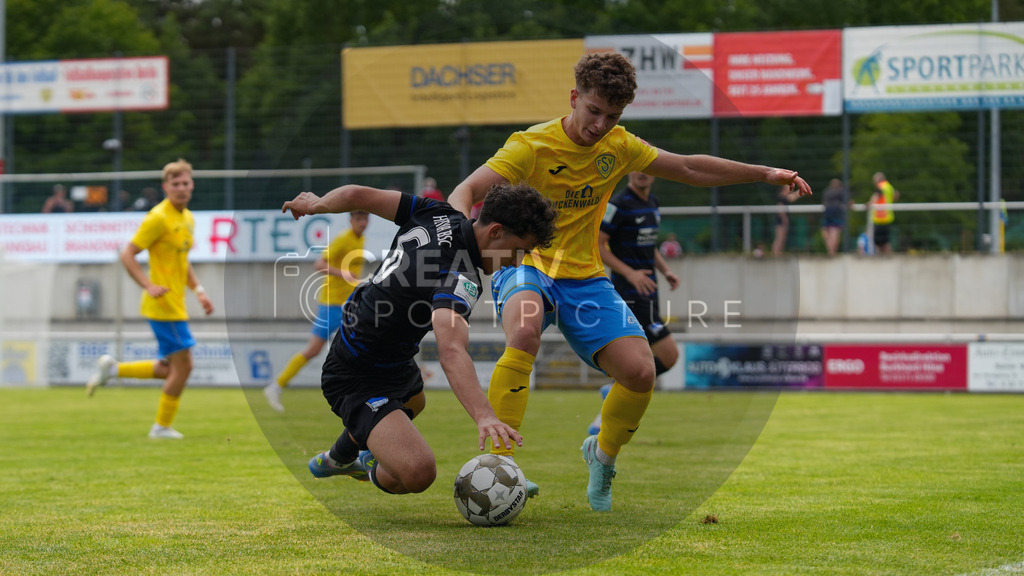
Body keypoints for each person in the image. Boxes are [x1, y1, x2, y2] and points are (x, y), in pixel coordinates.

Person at [448, 51, 811, 511]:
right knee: (523, 329)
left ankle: (602, 456)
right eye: (593, 111)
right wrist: (456, 245)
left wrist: (763, 174)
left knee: (640, 372)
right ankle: (502, 465)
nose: (600, 125)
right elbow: (467, 190)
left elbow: (688, 167)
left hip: (584, 276)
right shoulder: (530, 146)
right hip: (528, 261)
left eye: (612, 116)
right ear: (575, 97)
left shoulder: (619, 146)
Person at [283, 182, 557, 497]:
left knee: (415, 401)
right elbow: (452, 351)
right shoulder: (460, 276)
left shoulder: (439, 213)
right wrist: (485, 416)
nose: (516, 262)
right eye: (519, 250)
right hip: (355, 373)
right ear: (496, 232)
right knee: (418, 472)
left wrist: (318, 203)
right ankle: (361, 461)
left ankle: (340, 457)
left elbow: (357, 195)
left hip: (387, 353)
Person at [85, 159, 214, 440]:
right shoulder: (158, 218)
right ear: (165, 187)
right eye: (175, 184)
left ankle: (113, 369)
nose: (181, 188)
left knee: (168, 368)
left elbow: (183, 261)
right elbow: (127, 254)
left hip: (176, 303)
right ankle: (161, 427)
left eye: (185, 183)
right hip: (163, 306)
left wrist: (199, 291)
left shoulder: (187, 218)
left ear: (192, 185)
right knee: (186, 366)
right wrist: (148, 285)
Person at [587, 171, 681, 436]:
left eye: (648, 168)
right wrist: (629, 273)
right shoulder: (618, 204)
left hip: (649, 289)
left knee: (659, 359)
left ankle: (611, 398)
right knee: (669, 355)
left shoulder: (652, 202)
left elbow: (648, 245)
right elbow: (599, 245)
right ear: (630, 170)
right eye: (637, 168)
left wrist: (665, 270)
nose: (642, 173)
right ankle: (612, 401)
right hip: (629, 291)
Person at [263, 211, 370, 412]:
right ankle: (276, 386)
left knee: (358, 347)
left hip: (349, 304)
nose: (363, 223)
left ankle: (362, 393)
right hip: (331, 305)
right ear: (351, 220)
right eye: (359, 219)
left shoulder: (361, 238)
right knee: (314, 350)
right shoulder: (343, 240)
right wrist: (343, 274)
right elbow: (319, 263)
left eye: (366, 219)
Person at [869, 172, 899, 254]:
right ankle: (887, 257)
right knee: (884, 240)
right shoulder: (889, 187)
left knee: (879, 242)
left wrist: (869, 204)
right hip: (887, 217)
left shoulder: (881, 186)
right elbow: (896, 195)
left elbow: (876, 196)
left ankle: (884, 259)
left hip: (880, 218)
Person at [771, 183, 802, 256]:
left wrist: (801, 191)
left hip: (782, 220)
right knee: (779, 238)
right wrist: (784, 218)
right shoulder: (782, 197)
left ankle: (778, 253)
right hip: (780, 220)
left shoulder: (785, 197)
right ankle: (775, 253)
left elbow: (793, 197)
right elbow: (780, 208)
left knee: (782, 238)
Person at [820, 178, 848, 257]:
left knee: (826, 232)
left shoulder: (826, 192)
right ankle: (832, 252)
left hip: (826, 213)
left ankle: (830, 250)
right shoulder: (841, 191)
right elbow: (848, 202)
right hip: (836, 213)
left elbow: (823, 202)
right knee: (834, 232)